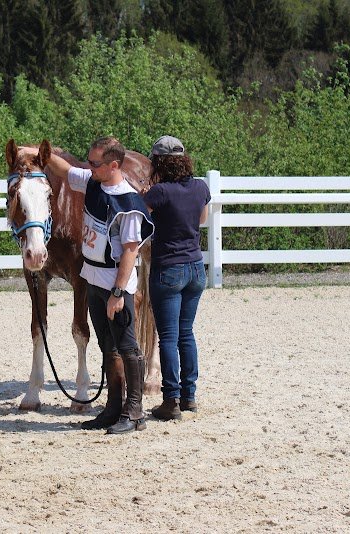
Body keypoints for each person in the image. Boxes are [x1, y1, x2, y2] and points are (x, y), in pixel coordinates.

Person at [26, 137, 154, 433]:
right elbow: (62, 167)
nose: (88, 166)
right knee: (107, 346)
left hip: (114, 282)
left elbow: (131, 252)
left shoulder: (129, 202)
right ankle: (111, 407)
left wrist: (119, 292)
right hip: (93, 278)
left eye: (94, 163)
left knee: (127, 347)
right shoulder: (93, 182)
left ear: (113, 165)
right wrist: (32, 152)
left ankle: (134, 410)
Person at [143, 136, 210, 421]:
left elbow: (139, 219)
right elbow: (202, 220)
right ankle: (189, 396)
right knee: (186, 333)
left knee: (168, 337)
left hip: (168, 267)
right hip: (195, 266)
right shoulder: (200, 187)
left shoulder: (159, 192)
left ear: (158, 162)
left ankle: (170, 399)